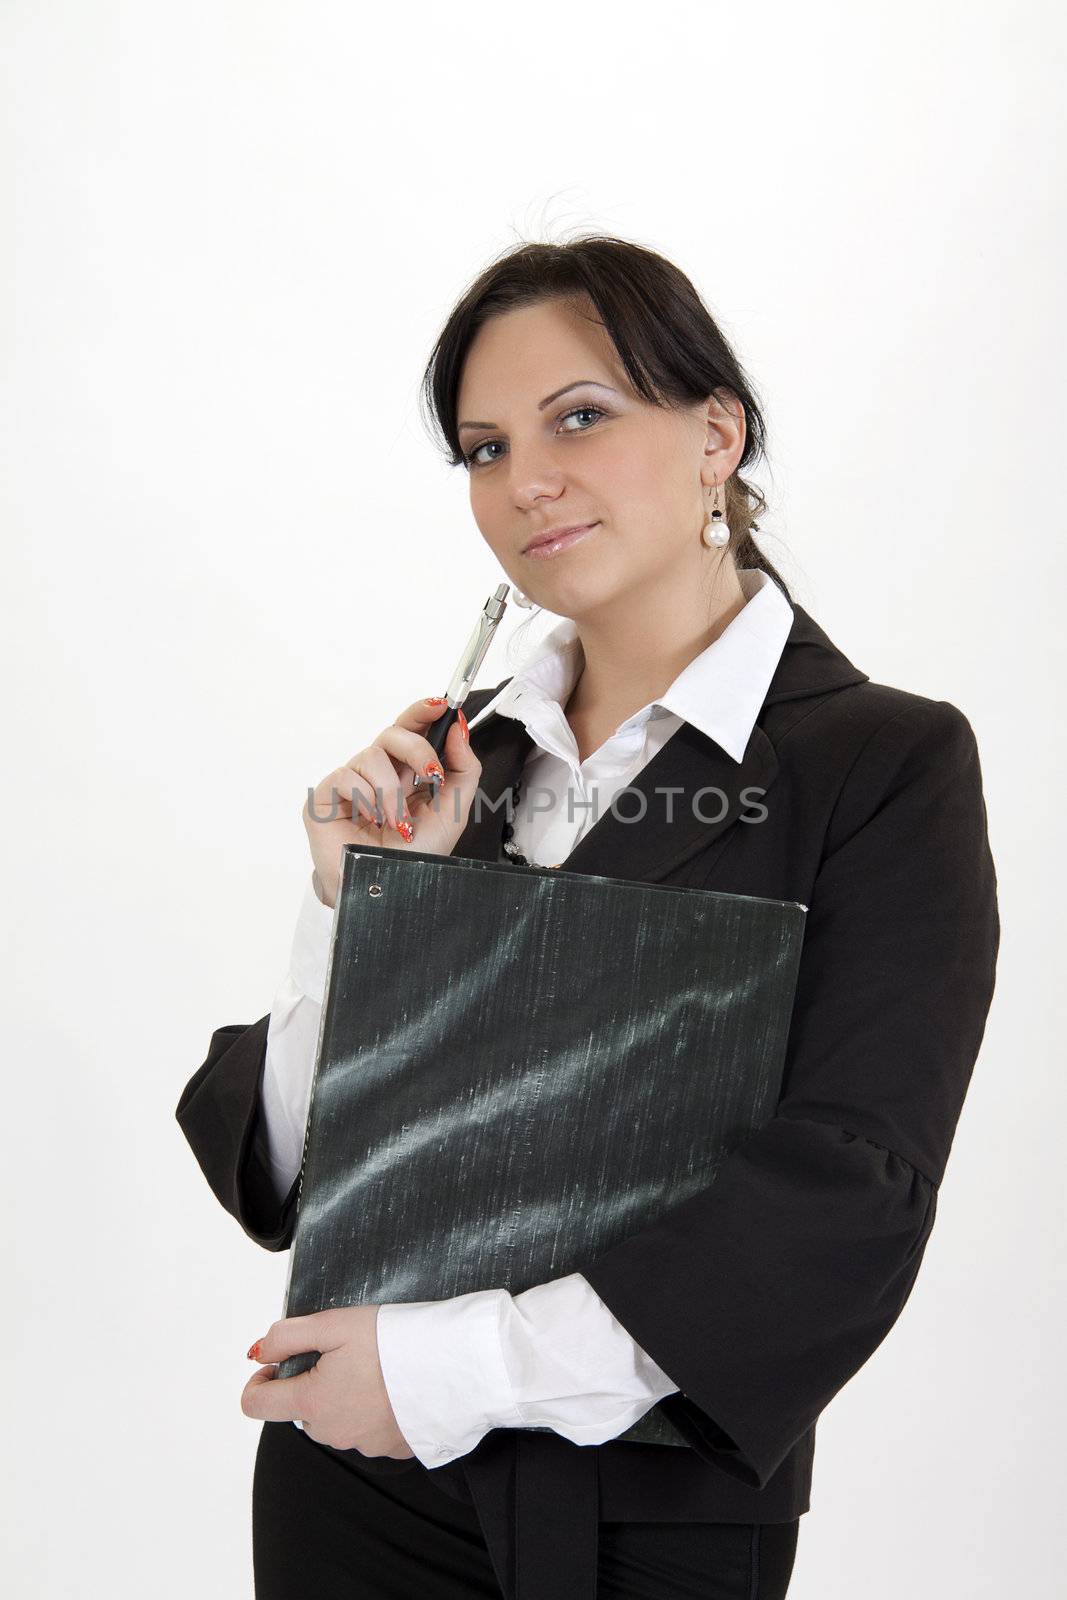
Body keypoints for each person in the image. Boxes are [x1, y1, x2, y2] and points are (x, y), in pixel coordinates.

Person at [175, 235, 1000, 1600]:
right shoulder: (465, 769)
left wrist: (444, 1375)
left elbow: (851, 1195)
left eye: (580, 417)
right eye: (485, 448)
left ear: (714, 435)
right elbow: (292, 1172)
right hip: (352, 1490)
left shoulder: (879, 764)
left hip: (640, 1516)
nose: (526, 483)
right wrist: (360, 908)